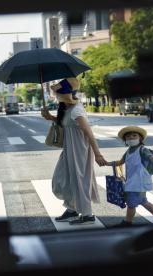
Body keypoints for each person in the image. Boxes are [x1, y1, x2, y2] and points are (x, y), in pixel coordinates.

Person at [41, 78, 108, 225]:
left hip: (80, 150)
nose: (56, 95)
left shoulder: (76, 110)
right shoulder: (66, 108)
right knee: (63, 178)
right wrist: (50, 117)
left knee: (80, 180)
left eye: (57, 93)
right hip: (69, 148)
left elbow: (89, 133)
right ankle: (72, 208)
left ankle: (87, 215)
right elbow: (66, 126)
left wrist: (98, 154)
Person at [105, 126, 153, 226]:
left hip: (139, 181)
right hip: (133, 181)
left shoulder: (142, 149)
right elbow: (120, 162)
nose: (131, 138)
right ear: (125, 140)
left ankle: (127, 222)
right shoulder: (128, 151)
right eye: (128, 137)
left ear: (140, 138)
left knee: (131, 204)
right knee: (143, 201)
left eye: (134, 136)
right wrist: (107, 163)